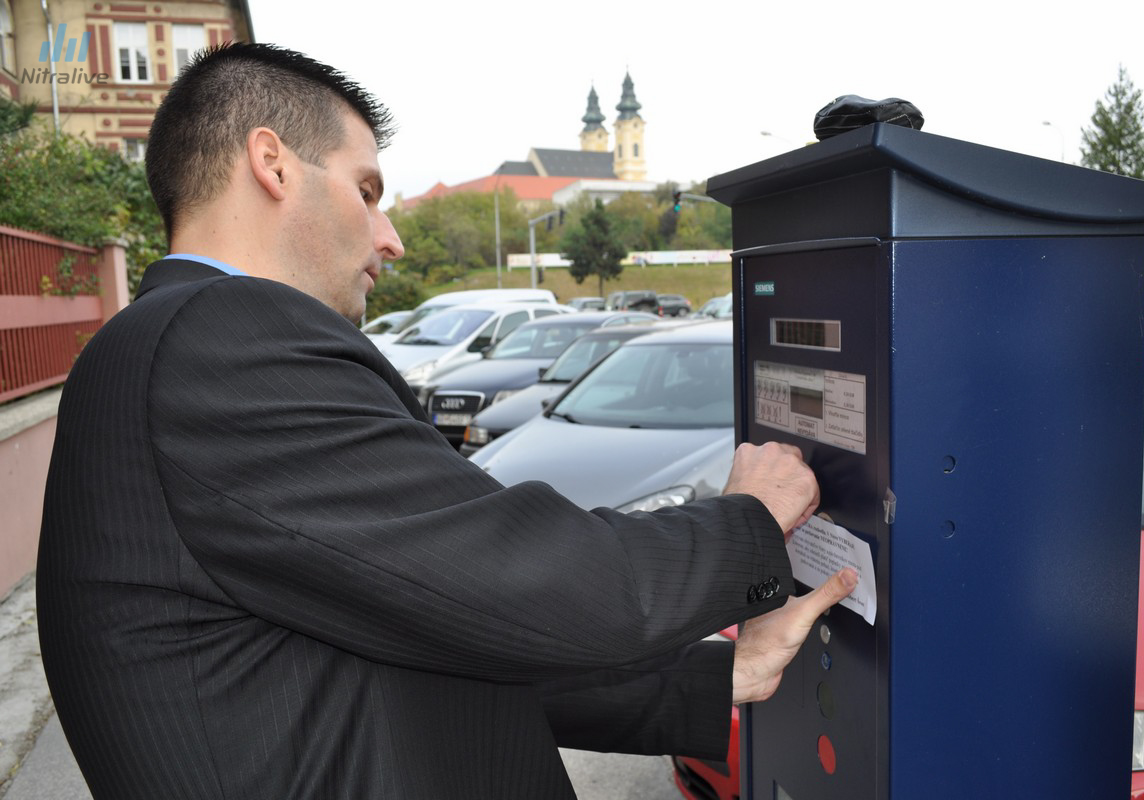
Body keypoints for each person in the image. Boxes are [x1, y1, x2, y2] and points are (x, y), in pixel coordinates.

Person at [37, 43, 857, 799]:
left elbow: (430, 633)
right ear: (271, 164)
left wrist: (720, 676)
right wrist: (747, 523)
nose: (389, 238)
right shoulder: (222, 338)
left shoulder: (166, 344)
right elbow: (526, 576)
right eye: (366, 191)